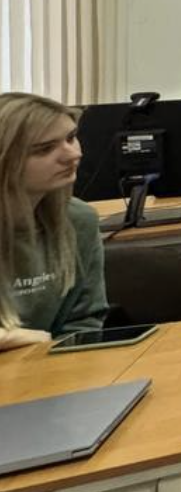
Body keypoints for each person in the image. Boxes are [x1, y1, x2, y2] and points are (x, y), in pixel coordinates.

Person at [0, 94, 106, 350]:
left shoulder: (79, 221)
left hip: (49, 368)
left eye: (71, 137)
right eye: (44, 149)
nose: (73, 155)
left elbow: (84, 324)